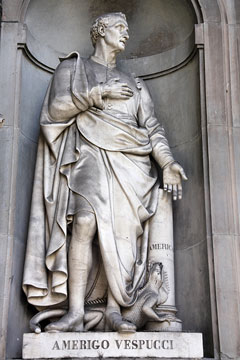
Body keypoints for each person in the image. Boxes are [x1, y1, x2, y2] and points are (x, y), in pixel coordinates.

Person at [23, 12, 187, 333]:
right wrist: (100, 93)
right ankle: (74, 313)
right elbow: (55, 110)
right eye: (119, 27)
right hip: (87, 155)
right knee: (83, 222)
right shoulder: (73, 69)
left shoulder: (135, 84)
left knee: (121, 236)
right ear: (100, 31)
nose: (126, 34)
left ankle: (114, 310)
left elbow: (151, 128)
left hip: (131, 163)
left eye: (127, 28)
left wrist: (167, 163)